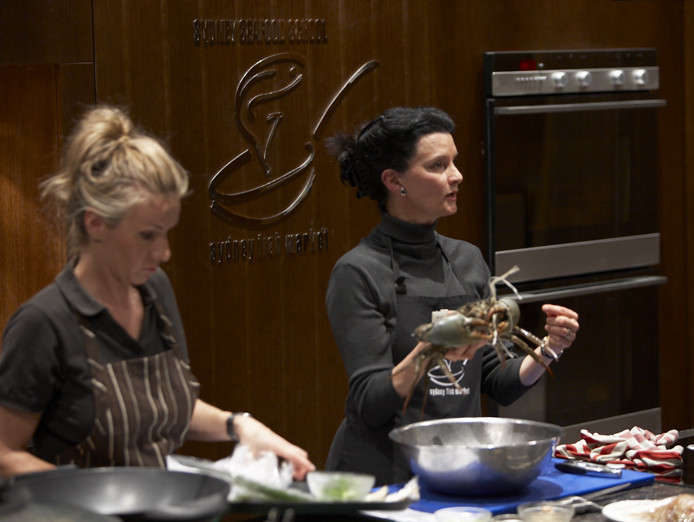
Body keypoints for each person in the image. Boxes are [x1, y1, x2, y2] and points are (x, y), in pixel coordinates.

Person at [0, 106, 315, 479]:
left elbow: (161, 406)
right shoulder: (44, 323)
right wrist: (87, 500)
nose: (164, 253)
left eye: (167, 232)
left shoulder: (154, 291)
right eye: (147, 235)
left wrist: (241, 426)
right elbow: (4, 454)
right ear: (95, 223)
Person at [324, 106, 580, 485]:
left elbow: (497, 382)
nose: (457, 176)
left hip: (455, 470)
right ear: (395, 181)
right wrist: (432, 349)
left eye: (454, 162)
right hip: (382, 479)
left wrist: (548, 348)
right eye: (438, 165)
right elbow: (369, 403)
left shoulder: (467, 259)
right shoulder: (358, 271)